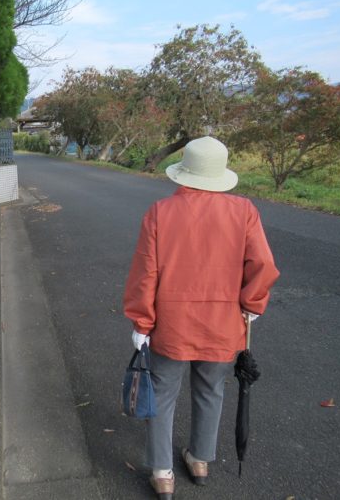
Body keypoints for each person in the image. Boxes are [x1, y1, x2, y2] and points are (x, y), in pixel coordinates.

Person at [123, 136, 279, 500]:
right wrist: (252, 305)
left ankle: (162, 473)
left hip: (171, 323)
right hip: (223, 322)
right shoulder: (244, 211)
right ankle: (199, 460)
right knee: (211, 390)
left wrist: (141, 322)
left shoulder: (160, 212)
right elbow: (262, 264)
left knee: (162, 393)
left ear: (184, 172)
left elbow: (145, 273)